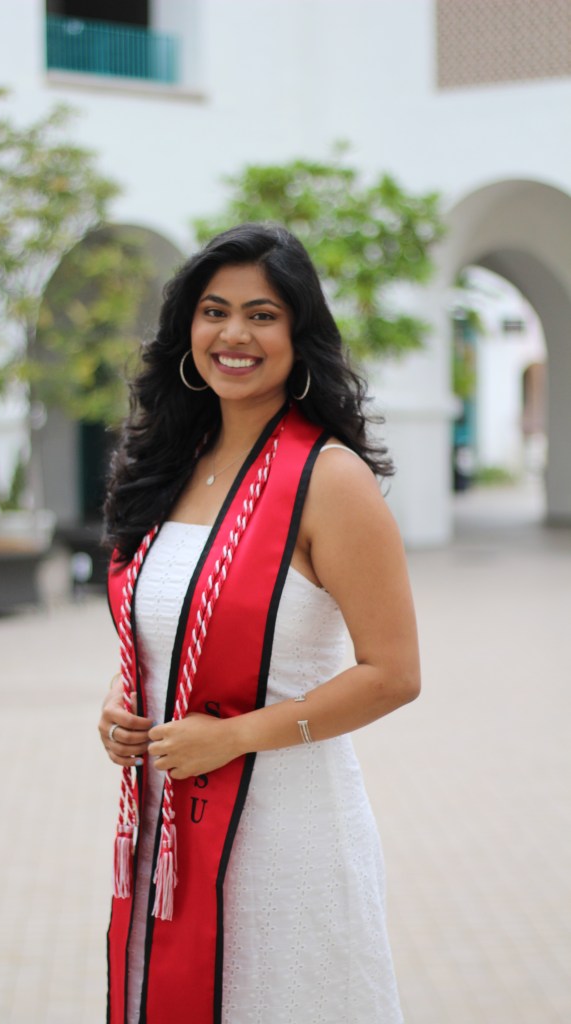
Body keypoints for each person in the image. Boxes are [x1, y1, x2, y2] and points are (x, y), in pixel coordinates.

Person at [99, 223, 420, 1024]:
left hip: (287, 836)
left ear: (297, 335)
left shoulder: (330, 478)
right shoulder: (171, 462)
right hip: (166, 831)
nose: (233, 334)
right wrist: (119, 702)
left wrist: (234, 737)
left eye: (262, 314)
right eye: (214, 311)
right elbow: (160, 626)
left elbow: (393, 674)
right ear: (186, 330)